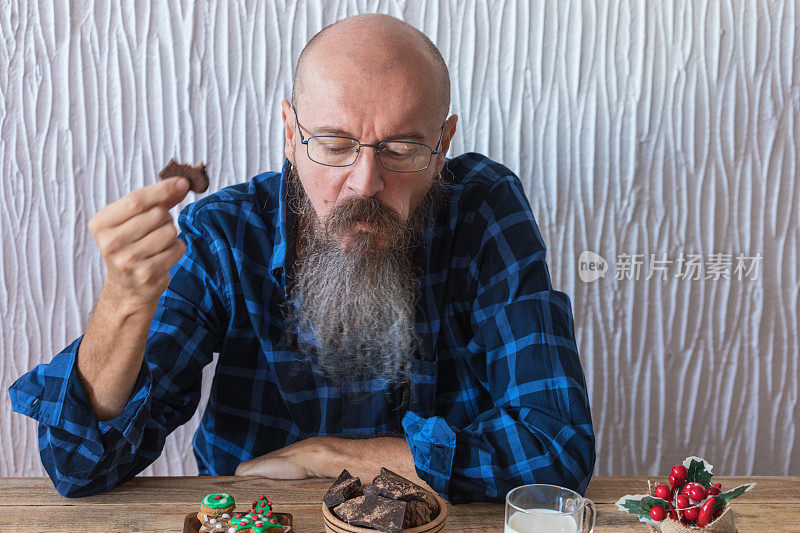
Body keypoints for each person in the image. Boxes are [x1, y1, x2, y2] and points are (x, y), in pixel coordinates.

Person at [9, 14, 595, 502]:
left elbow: (555, 446)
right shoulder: (225, 235)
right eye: (336, 145)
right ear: (291, 132)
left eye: (402, 148)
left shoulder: (483, 209)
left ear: (443, 146)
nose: (364, 183)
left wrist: (332, 457)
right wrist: (124, 301)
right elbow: (79, 465)